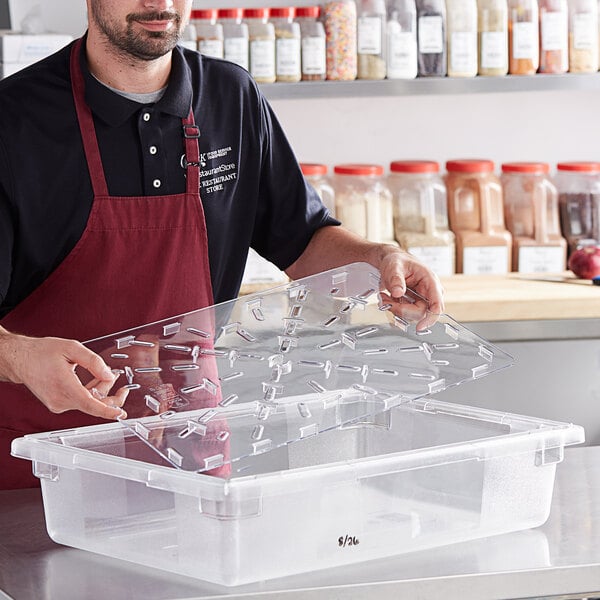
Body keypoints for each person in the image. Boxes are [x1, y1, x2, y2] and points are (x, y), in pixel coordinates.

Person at [0, 0, 444, 489]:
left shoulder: (232, 98)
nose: (160, 3)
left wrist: (378, 258)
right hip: (47, 463)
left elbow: (303, 241)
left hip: (190, 457)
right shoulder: (15, 120)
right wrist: (20, 358)